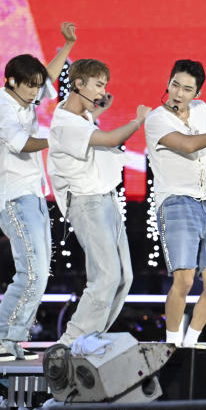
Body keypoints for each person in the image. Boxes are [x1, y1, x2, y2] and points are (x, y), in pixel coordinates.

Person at [0, 22, 77, 361]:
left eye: (37, 86)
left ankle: (9, 339)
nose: (38, 92)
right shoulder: (0, 106)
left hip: (33, 194)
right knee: (31, 273)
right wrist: (60, 139)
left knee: (38, 273)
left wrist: (66, 46)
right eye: (30, 86)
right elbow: (22, 144)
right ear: (11, 82)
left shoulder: (24, 99)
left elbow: (46, 78)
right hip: (14, 196)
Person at [48, 58, 151, 346]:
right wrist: (138, 120)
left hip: (106, 201)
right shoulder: (66, 124)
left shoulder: (79, 116)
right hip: (87, 204)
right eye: (98, 84)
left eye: (104, 84)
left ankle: (92, 337)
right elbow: (108, 139)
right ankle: (71, 342)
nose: (102, 91)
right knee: (105, 276)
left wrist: (99, 106)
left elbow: (91, 122)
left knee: (124, 277)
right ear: (78, 84)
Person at [145, 59, 206, 348]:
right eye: (175, 85)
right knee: (183, 281)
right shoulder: (156, 119)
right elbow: (187, 144)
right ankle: (172, 344)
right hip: (176, 201)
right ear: (168, 83)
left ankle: (191, 342)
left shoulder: (200, 109)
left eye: (186, 89)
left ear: (196, 93)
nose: (179, 93)